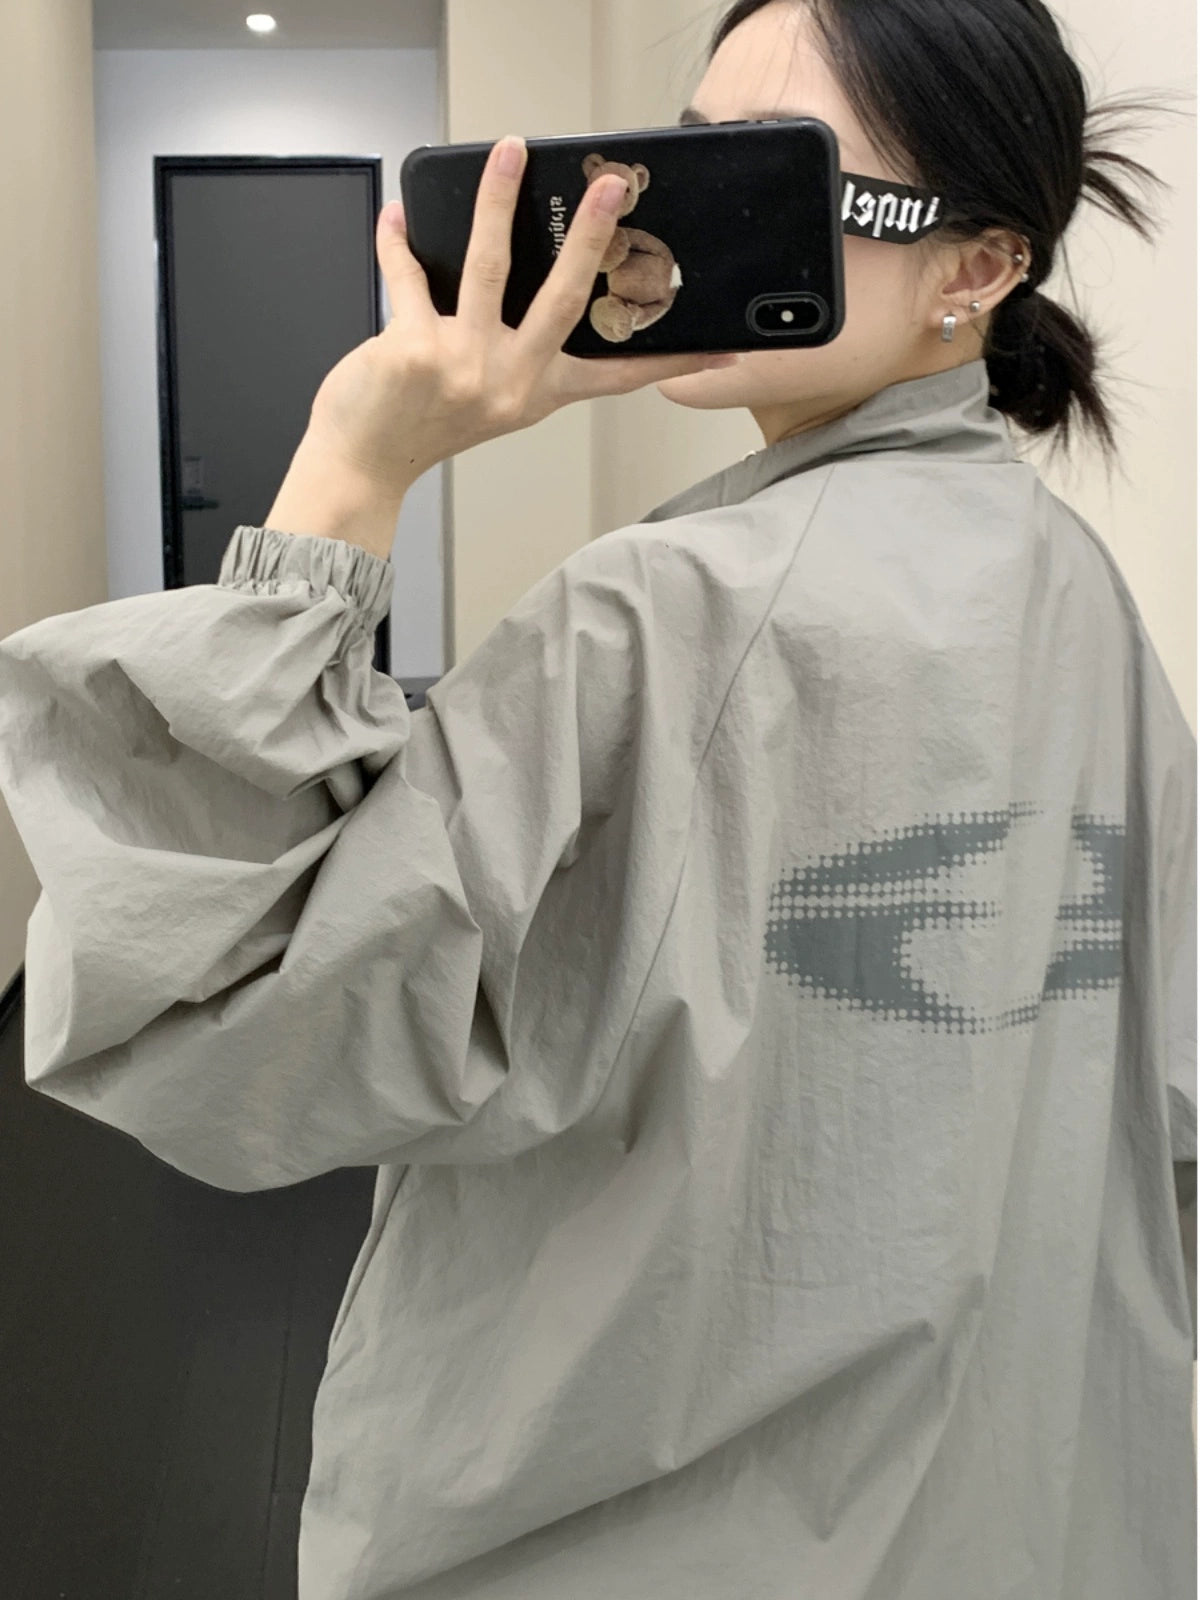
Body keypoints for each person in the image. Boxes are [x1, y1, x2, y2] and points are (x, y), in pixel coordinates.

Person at [0, 0, 1193, 1595]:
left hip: (640, 1533)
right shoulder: (1081, 591)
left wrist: (352, 461)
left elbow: (222, 1031)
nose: (667, 227)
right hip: (1039, 1511)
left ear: (975, 270)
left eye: (769, 177)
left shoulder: (656, 614)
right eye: (681, 164)